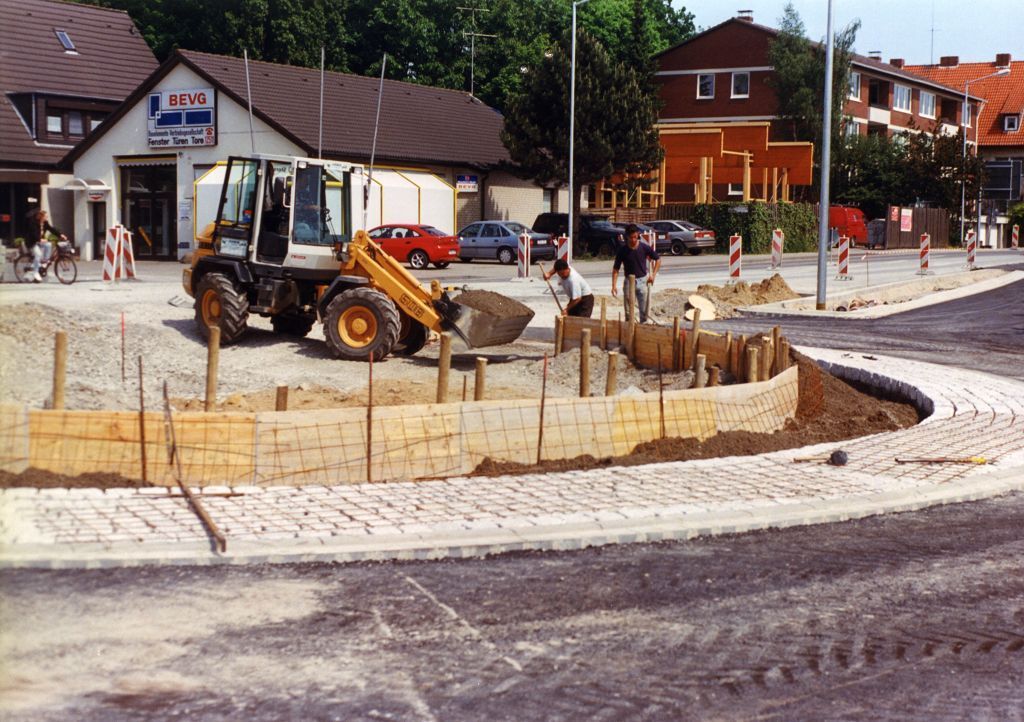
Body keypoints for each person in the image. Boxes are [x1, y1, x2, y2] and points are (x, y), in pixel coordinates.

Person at [611, 223, 661, 323]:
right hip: (629, 282)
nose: (633, 240)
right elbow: (616, 269)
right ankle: (630, 330)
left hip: (643, 281)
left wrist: (653, 275)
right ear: (627, 237)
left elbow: (658, 260)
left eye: (635, 237)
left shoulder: (644, 247)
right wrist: (614, 286)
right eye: (631, 238)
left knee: (644, 311)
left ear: (638, 235)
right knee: (629, 312)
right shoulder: (623, 251)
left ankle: (643, 328)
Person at [25, 209, 67, 283]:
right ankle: (35, 273)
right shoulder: (33, 223)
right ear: (41, 217)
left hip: (39, 241)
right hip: (32, 242)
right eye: (46, 216)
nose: (47, 218)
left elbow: (52, 229)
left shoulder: (45, 223)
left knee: (48, 245)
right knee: (38, 254)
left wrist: (60, 235)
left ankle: (44, 262)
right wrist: (39, 239)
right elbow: (33, 234)